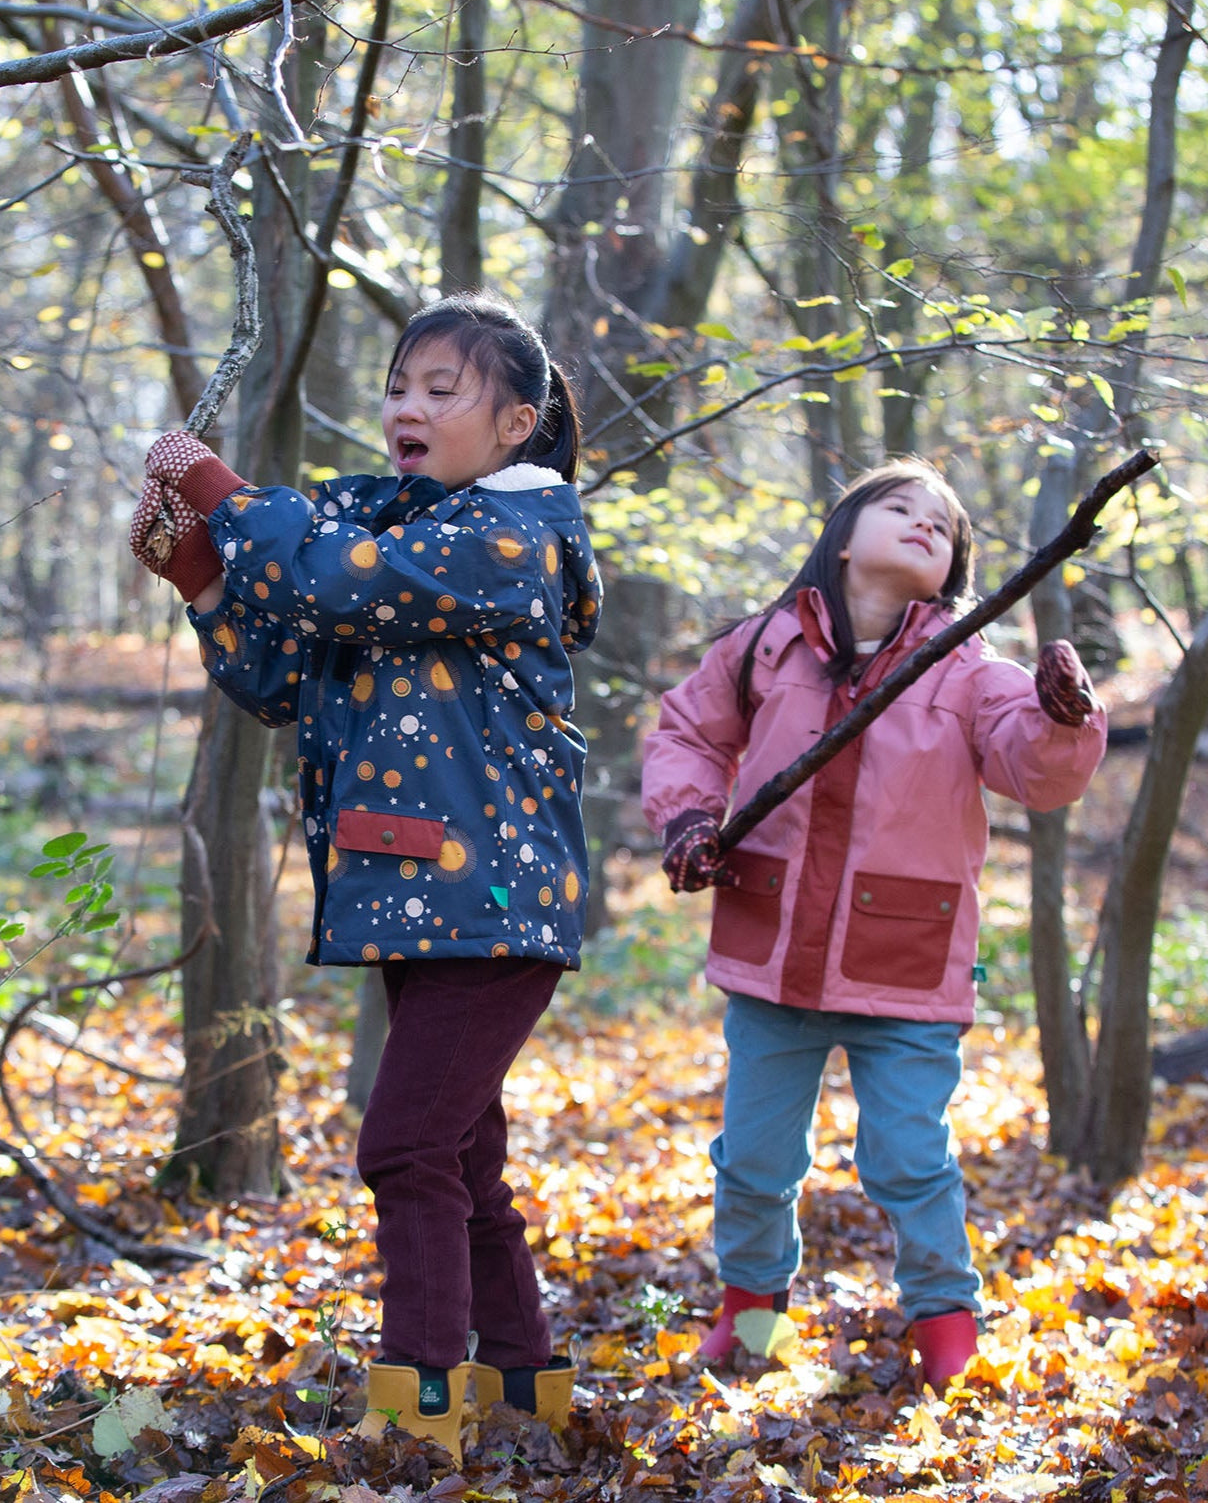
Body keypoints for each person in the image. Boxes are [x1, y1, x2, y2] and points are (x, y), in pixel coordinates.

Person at [130, 292, 603, 1462]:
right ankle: (522, 1387)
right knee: (460, 1158)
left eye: (443, 389)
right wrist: (202, 580)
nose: (408, 405)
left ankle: (419, 1404)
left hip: (495, 905)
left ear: (515, 424)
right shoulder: (397, 539)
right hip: (412, 901)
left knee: (399, 1146)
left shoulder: (512, 534)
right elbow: (285, 671)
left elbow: (339, 580)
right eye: (399, 385)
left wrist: (223, 498)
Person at [640, 458, 1106, 1389]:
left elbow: (1034, 770)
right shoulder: (764, 647)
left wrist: (1063, 723)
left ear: (955, 569)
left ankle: (945, 1323)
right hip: (771, 958)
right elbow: (687, 734)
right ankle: (754, 1316)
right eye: (900, 507)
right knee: (756, 1159)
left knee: (907, 1157)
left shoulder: (973, 667)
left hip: (907, 964)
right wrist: (690, 819)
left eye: (945, 523)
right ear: (843, 535)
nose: (925, 523)